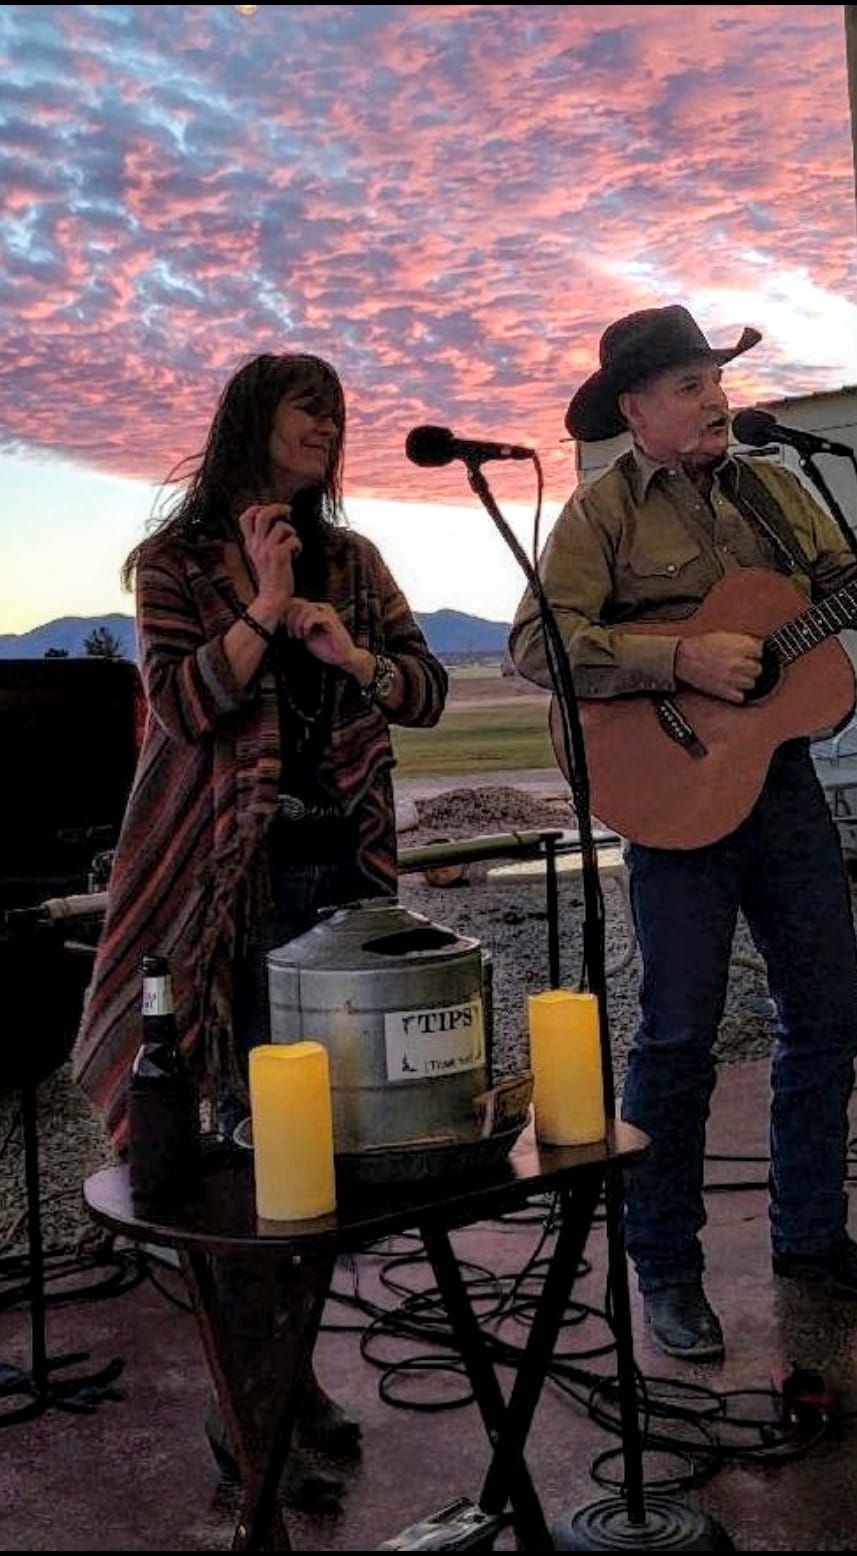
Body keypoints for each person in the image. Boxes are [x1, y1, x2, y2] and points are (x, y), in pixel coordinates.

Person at [72, 350, 448, 1502]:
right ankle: (257, 1411)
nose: (329, 425)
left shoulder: (356, 558)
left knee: (326, 1147)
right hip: (221, 887)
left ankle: (283, 1381)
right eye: (307, 406)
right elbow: (183, 707)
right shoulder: (175, 564)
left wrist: (354, 652)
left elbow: (424, 691)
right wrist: (262, 613)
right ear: (252, 421)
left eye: (338, 410)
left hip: (340, 879)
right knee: (238, 1163)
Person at [508, 304, 857, 1362]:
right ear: (633, 410)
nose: (712, 400)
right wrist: (680, 662)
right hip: (671, 798)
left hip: (780, 780)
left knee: (828, 1011)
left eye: (714, 380)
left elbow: (830, 589)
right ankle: (663, 1265)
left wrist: (802, 624)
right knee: (676, 1034)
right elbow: (538, 643)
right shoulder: (599, 513)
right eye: (686, 386)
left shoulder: (772, 486)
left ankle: (808, 1236)